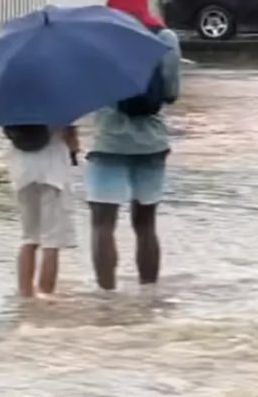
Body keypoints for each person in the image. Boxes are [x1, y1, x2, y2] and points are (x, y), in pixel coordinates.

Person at [87, 0, 181, 291]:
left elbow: (88, 92)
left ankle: (106, 301)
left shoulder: (98, 40)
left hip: (108, 141)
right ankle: (148, 298)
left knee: (103, 225)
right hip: (151, 143)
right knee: (145, 225)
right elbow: (172, 93)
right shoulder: (165, 38)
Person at [4, 124, 80, 298]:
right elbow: (72, 141)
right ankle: (45, 296)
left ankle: (25, 295)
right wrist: (74, 148)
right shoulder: (59, 101)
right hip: (53, 173)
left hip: (22, 172)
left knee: (29, 238)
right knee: (51, 242)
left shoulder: (10, 105)